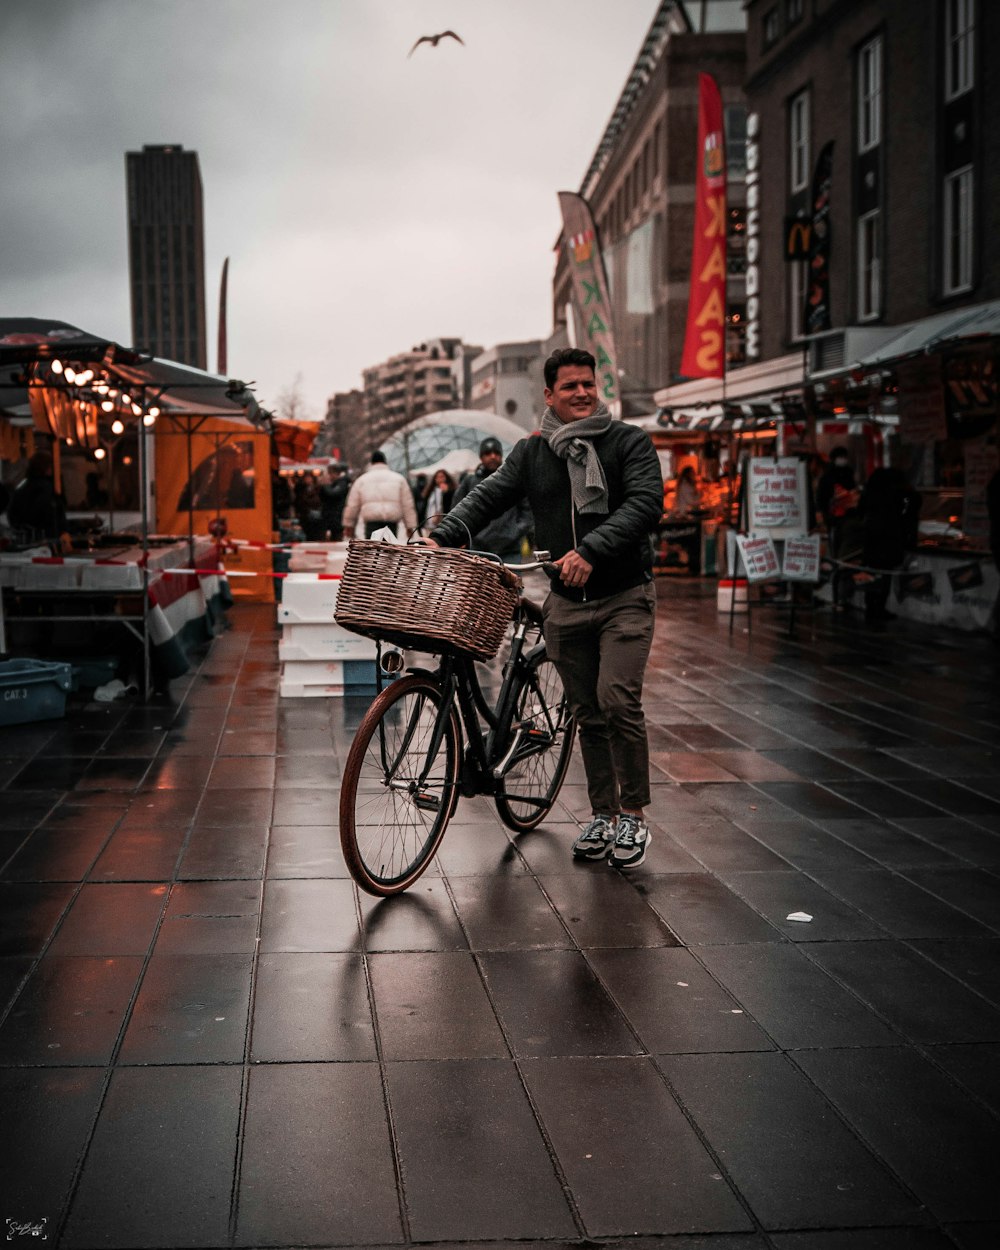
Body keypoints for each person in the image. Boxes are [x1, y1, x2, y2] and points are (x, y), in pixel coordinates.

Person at [427, 346, 664, 869]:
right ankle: (602, 814)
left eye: (589, 383)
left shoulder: (628, 442)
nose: (582, 392)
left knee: (617, 700)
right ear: (549, 395)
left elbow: (646, 504)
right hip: (566, 601)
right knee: (586, 712)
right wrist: (442, 536)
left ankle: (634, 815)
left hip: (624, 595)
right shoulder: (533, 453)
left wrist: (592, 550)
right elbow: (488, 497)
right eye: (571, 386)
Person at [450, 437, 532, 564]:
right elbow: (457, 510)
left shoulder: (515, 480)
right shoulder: (469, 481)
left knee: (510, 583)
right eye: (488, 453)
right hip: (478, 551)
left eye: (496, 453)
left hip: (509, 550)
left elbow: (527, 511)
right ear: (481, 457)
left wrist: (515, 531)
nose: (493, 456)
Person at [858, 463, 921, 623]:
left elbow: (861, 510)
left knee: (871, 573)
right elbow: (909, 514)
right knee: (885, 575)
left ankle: (871, 607)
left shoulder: (871, 493)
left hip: (871, 538)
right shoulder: (899, 493)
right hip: (890, 539)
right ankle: (879, 607)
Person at [341, 450, 418, 539]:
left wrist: (349, 524)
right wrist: (410, 526)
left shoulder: (362, 480)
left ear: (371, 463)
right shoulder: (399, 479)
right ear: (385, 462)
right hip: (391, 523)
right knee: (389, 549)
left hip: (371, 523)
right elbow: (407, 504)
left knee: (372, 550)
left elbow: (352, 505)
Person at [7, 451, 69, 547]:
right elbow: (50, 514)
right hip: (46, 539)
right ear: (46, 467)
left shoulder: (22, 486)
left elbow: (12, 513)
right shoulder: (46, 488)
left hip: (24, 539)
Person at [319, 462, 350, 540]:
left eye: (329, 473)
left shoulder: (342, 483)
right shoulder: (335, 484)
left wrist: (325, 485)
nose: (328, 476)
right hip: (332, 520)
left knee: (337, 539)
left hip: (337, 520)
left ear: (335, 473)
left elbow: (333, 494)